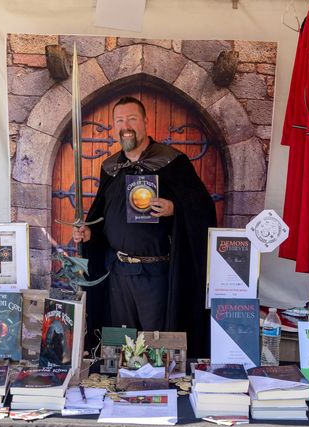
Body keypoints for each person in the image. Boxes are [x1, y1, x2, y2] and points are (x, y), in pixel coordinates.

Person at [73, 96, 216, 357]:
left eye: (131, 119)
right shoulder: (111, 167)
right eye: (119, 120)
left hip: (156, 275)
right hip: (117, 273)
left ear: (145, 122)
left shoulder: (172, 161)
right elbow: (102, 217)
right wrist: (89, 232)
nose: (125, 126)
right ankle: (119, 392)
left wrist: (175, 208)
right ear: (114, 126)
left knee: (155, 348)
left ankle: (156, 391)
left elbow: (203, 209)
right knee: (120, 346)